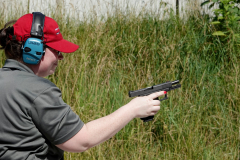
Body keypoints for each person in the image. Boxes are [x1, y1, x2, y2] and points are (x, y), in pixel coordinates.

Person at [0, 12, 165, 160]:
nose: (61, 56)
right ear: (34, 48)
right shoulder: (38, 90)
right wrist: (133, 109)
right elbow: (81, 141)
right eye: (56, 50)